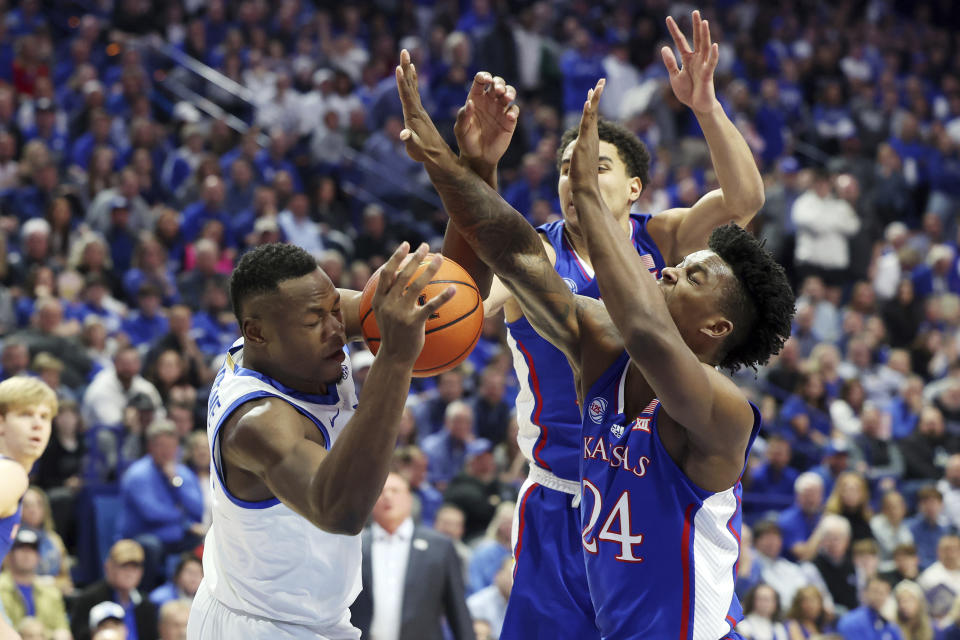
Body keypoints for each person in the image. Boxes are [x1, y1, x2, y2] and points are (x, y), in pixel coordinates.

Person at [396, 39, 793, 640]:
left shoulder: (714, 398)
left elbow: (737, 209)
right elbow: (497, 263)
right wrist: (458, 166)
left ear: (634, 186)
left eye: (593, 165)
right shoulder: (595, 332)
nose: (667, 270)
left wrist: (705, 108)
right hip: (560, 493)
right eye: (566, 166)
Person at [187, 242, 455, 639]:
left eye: (334, 310)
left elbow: (452, 306)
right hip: (260, 627)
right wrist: (395, 359)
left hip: (312, 617)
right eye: (316, 320)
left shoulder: (296, 340)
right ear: (256, 333)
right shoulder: (257, 423)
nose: (336, 329)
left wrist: (466, 197)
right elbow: (341, 511)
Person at [349, 472, 473, 640]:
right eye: (380, 491)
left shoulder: (439, 547)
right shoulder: (355, 546)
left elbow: (458, 610)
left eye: (395, 491)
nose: (387, 496)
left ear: (409, 498)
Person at [0, 376, 57, 640]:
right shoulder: (12, 472)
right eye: (25, 414)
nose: (38, 424)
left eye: (45, 416)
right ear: (1, 422)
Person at [117, 419, 204, 591]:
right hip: (141, 535)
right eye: (161, 446)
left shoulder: (182, 473)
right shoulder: (137, 474)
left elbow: (198, 509)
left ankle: (192, 593)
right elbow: (152, 514)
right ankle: (143, 595)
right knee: (152, 546)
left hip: (173, 536)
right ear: (150, 447)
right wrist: (184, 520)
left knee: (202, 539)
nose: (167, 452)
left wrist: (175, 482)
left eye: (171, 446)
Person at [71, 539, 158, 640]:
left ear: (142, 572)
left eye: (135, 567)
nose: (130, 573)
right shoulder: (88, 600)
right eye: (124, 566)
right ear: (108, 567)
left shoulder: (146, 605)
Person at [0, 528, 70, 639]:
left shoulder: (51, 592)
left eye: (31, 550)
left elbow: (62, 628)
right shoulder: (1, 588)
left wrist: (40, 634)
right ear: (10, 555)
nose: (27, 555)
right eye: (21, 549)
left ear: (38, 557)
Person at [836, 577, 904, 640]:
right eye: (875, 591)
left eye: (883, 593)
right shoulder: (851, 622)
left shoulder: (889, 624)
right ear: (865, 593)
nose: (879, 597)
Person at [467, 556, 514, 640]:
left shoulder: (526, 604)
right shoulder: (475, 605)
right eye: (510, 575)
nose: (514, 582)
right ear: (497, 575)